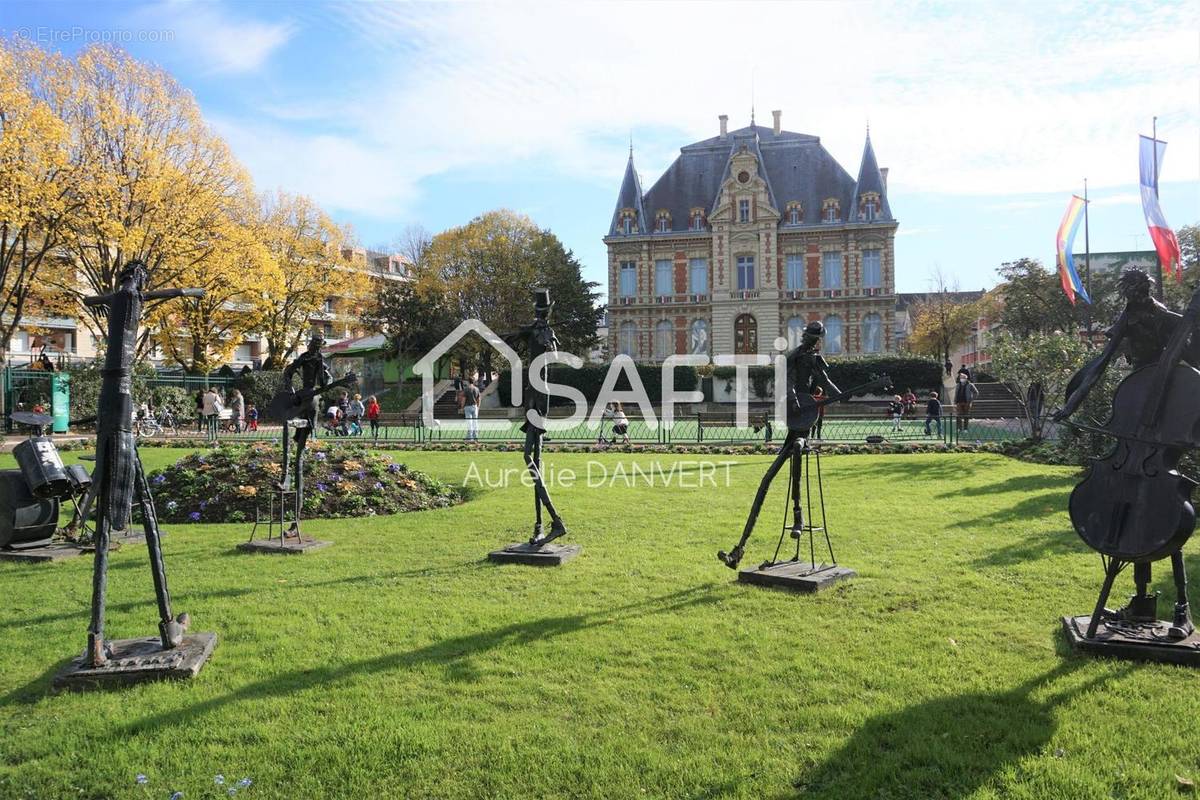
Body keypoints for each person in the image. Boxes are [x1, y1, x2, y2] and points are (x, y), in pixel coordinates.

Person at [462, 378, 480, 442]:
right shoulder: (477, 389)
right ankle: (476, 437)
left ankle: (470, 437)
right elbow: (479, 399)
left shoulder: (466, 389)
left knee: (469, 422)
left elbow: (464, 399)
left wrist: (462, 407)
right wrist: (478, 406)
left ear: (468, 382)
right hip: (474, 406)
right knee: (475, 422)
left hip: (468, 406)